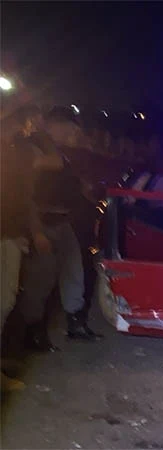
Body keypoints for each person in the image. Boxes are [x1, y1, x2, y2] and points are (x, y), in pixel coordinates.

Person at [16, 109, 101, 350]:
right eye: (70, 128)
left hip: (62, 222)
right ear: (55, 125)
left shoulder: (61, 152)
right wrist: (36, 232)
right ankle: (32, 334)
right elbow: (27, 195)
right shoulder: (36, 150)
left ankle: (75, 324)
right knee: (39, 281)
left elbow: (72, 186)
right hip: (42, 222)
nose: (74, 133)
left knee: (73, 273)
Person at [0, 104, 46, 391]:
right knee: (3, 300)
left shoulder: (12, 150)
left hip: (9, 234)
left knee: (6, 300)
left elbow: (19, 197)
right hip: (5, 236)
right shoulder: (7, 152)